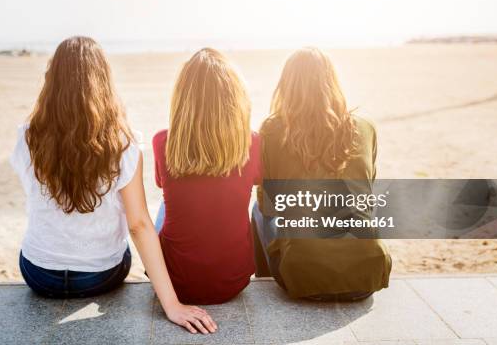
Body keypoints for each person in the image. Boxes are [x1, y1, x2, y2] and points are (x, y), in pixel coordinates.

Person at [10, 37, 216, 334]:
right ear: (102, 81)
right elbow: (139, 225)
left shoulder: (27, 136)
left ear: (51, 79)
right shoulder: (123, 142)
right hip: (99, 275)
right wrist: (172, 305)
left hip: (39, 273)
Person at [253, 47, 391, 300]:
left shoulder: (273, 130)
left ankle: (264, 280)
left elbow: (268, 207)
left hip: (301, 279)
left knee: (257, 210)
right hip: (367, 276)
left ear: (287, 85)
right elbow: (367, 190)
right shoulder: (365, 125)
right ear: (332, 82)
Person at [152, 48, 261, 305]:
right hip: (234, 281)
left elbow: (160, 182)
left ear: (182, 98)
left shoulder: (162, 141)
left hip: (176, 283)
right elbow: (257, 180)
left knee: (165, 208)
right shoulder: (252, 142)